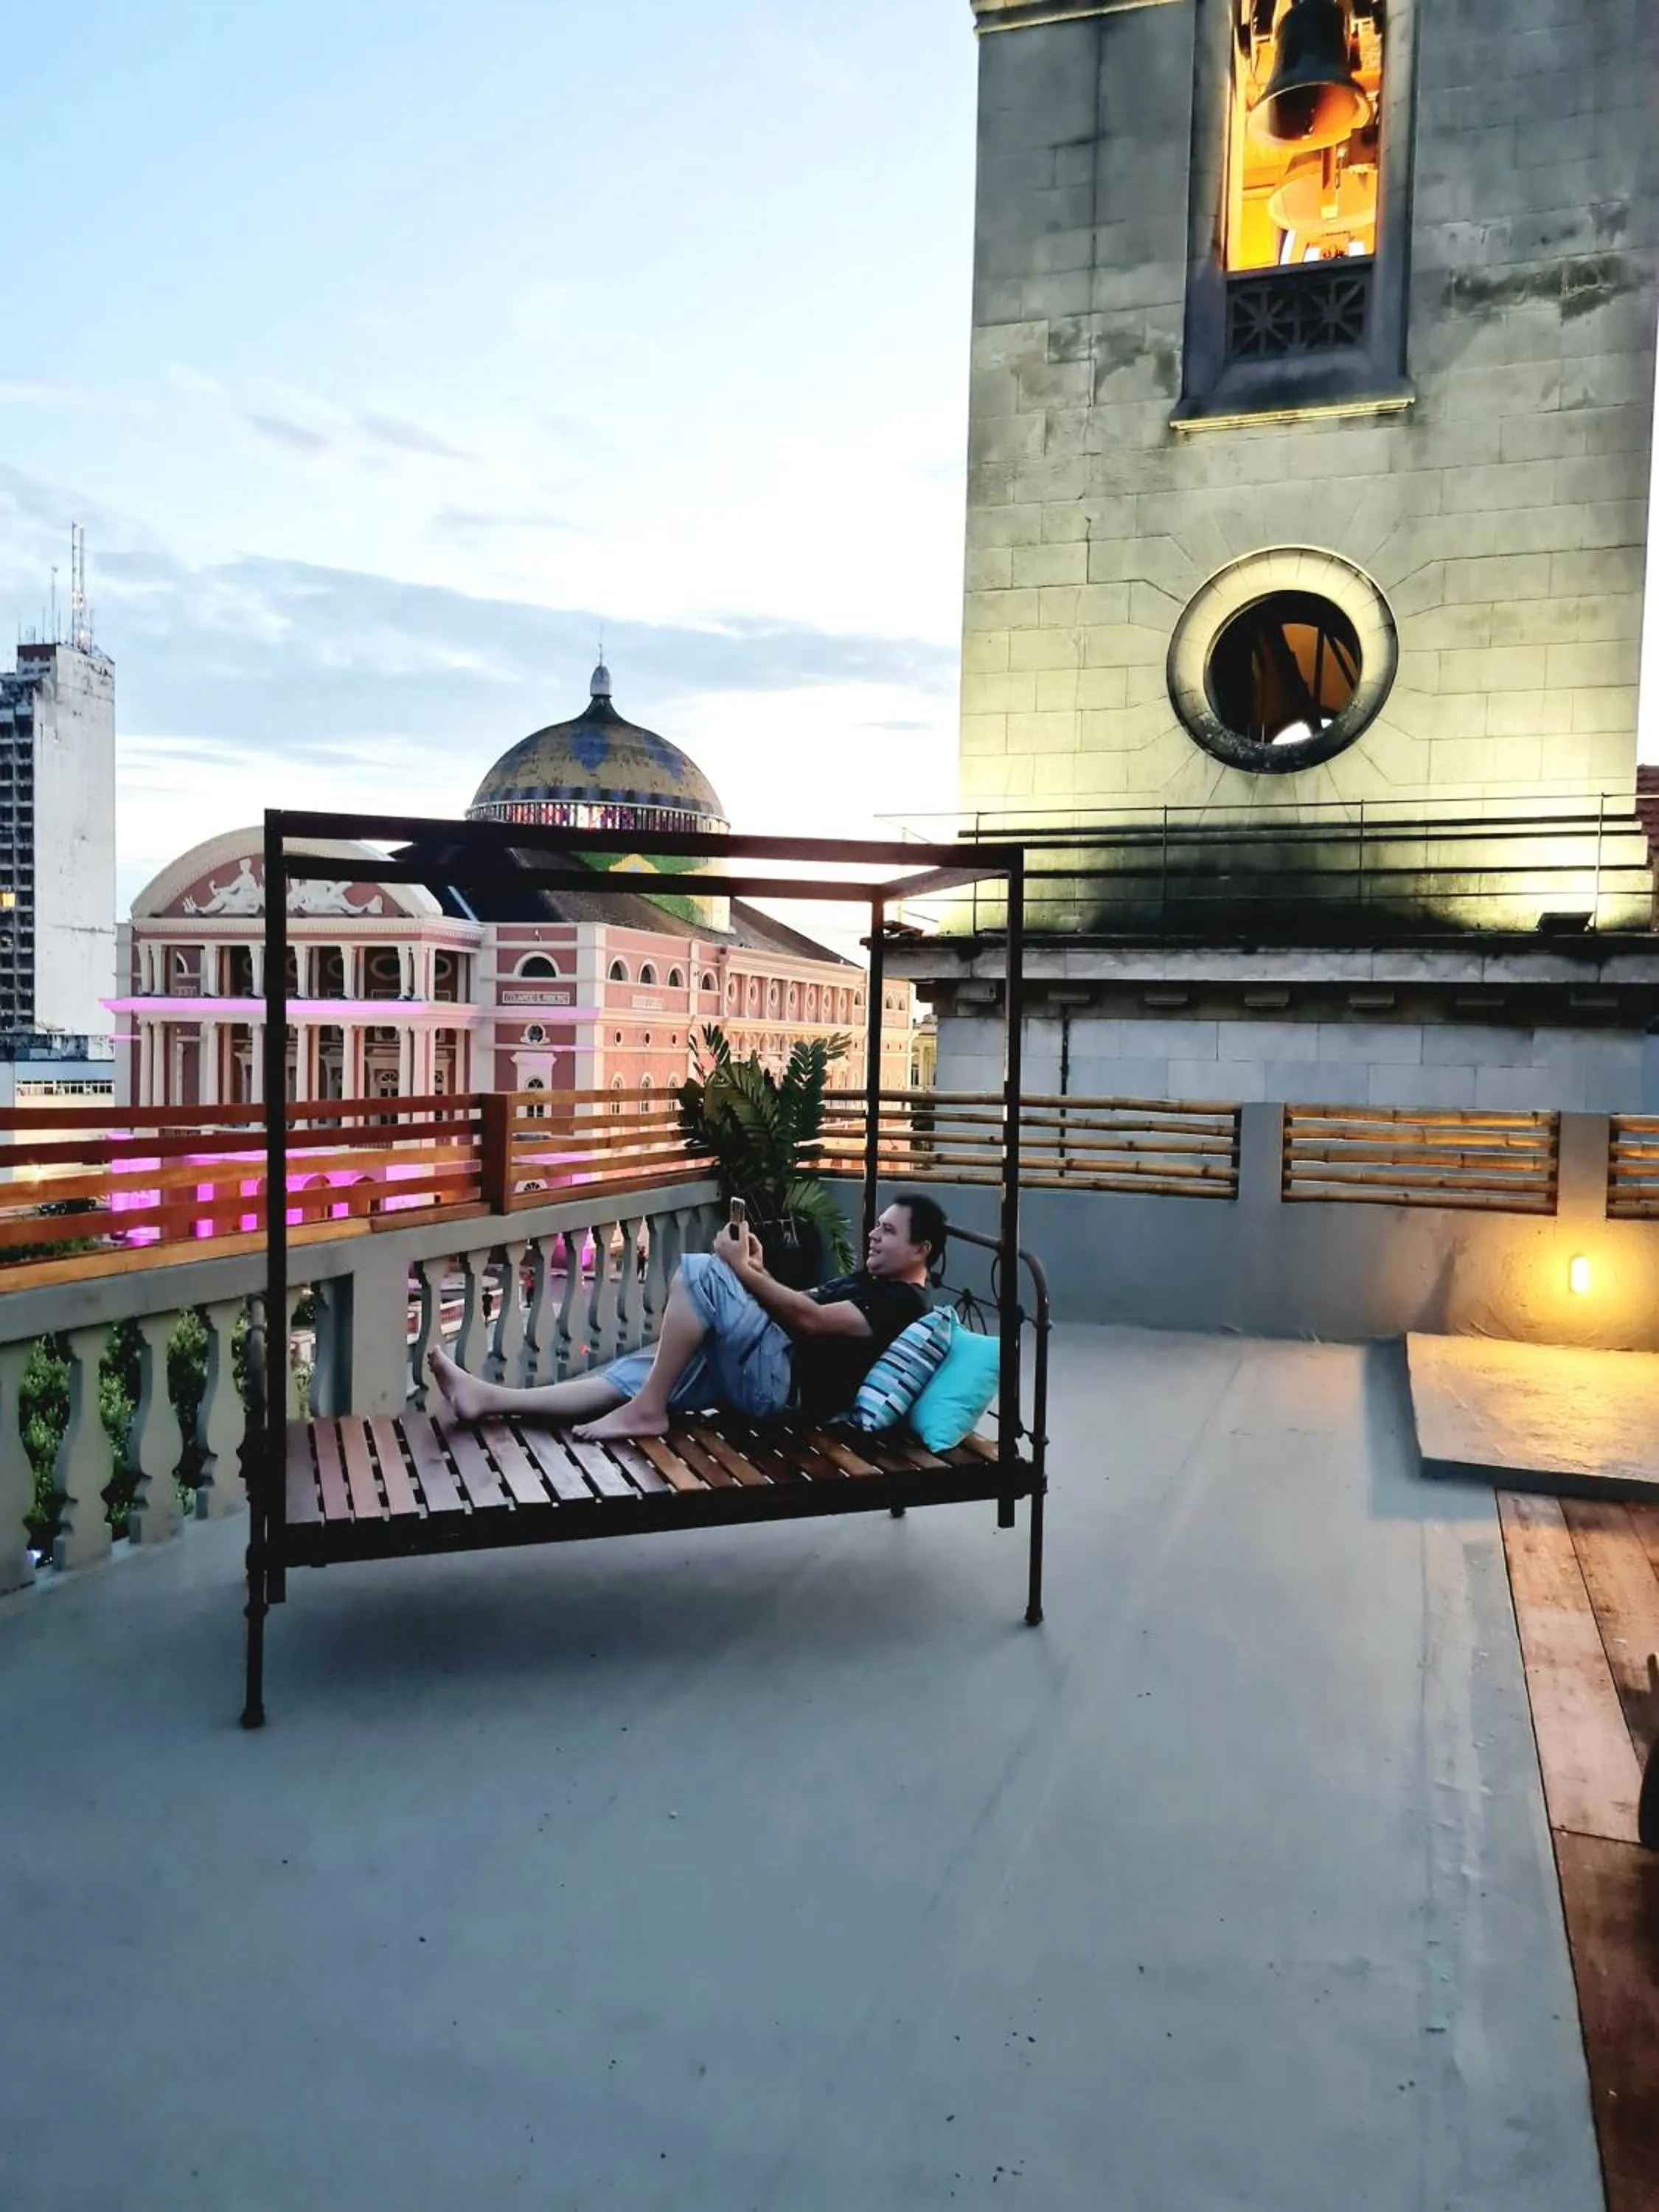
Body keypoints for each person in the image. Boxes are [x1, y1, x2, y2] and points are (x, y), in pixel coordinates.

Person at [425, 1192, 947, 1441]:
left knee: (702, 1270)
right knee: (641, 1368)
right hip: (765, 1366)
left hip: (780, 1391)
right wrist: (757, 1270)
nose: (874, 1235)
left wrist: (740, 1272)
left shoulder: (902, 1303)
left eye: (889, 1232)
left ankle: (649, 1410)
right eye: (876, 1226)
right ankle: (490, 1398)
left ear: (921, 1249)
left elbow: (810, 1322)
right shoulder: (872, 1282)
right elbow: (795, 1302)